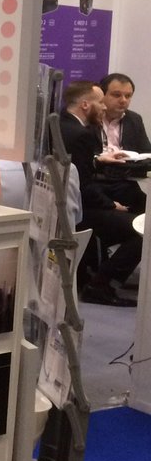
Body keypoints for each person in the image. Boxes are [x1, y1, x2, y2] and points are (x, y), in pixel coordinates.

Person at [58, 80, 140, 306]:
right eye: (101, 102)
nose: (104, 108)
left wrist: (98, 160)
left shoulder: (60, 125)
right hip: (81, 209)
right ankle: (102, 285)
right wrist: (111, 205)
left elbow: (75, 169)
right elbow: (82, 186)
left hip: (66, 205)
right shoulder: (82, 135)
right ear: (85, 105)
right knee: (142, 229)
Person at [95, 72, 149, 216]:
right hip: (95, 182)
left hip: (124, 181)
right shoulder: (91, 117)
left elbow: (146, 153)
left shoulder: (134, 119)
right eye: (117, 95)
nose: (123, 100)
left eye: (128, 96)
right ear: (102, 95)